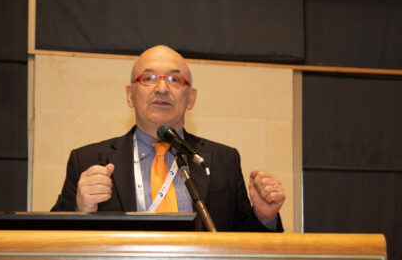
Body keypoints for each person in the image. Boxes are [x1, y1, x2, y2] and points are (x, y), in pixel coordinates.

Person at [51, 45, 286, 232]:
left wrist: (263, 217)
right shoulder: (88, 160)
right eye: (149, 78)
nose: (162, 88)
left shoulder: (225, 160)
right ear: (130, 95)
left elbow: (243, 247)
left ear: (191, 98)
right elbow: (46, 240)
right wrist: (78, 209)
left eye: (174, 80)